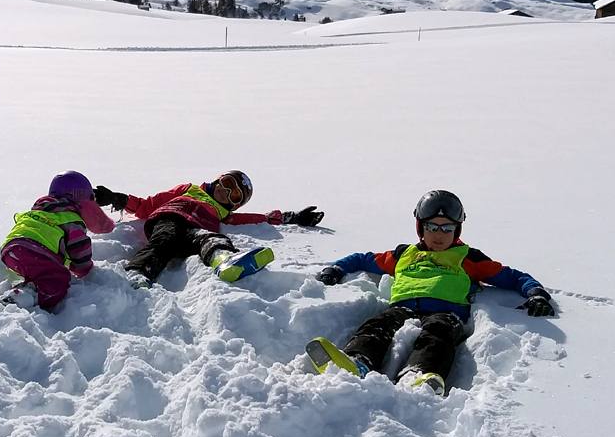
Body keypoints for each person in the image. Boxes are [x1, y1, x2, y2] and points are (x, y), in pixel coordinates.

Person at [307, 190, 553, 396]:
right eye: (432, 227)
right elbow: (362, 259)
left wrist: (536, 292)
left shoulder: (467, 257)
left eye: (447, 228)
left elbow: (511, 276)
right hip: (402, 307)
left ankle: (420, 375)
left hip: (446, 312)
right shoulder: (404, 254)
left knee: (437, 335)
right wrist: (337, 268)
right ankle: (355, 361)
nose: (439, 234)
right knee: (377, 325)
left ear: (457, 230)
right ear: (420, 228)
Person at [93, 170, 324, 287]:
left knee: (210, 237)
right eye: (227, 184)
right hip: (170, 219)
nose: (225, 192)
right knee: (165, 240)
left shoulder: (224, 214)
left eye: (234, 195)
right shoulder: (189, 189)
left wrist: (291, 217)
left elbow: (259, 218)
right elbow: (146, 206)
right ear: (218, 180)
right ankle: (139, 273)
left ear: (235, 204)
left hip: (195, 229)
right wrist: (119, 199)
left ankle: (224, 259)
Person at [0, 171, 115, 311]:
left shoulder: (40, 210)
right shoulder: (71, 218)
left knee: (40, 274)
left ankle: (16, 293)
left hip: (10, 249)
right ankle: (22, 298)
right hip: (35, 250)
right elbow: (79, 248)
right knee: (58, 279)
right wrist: (85, 269)